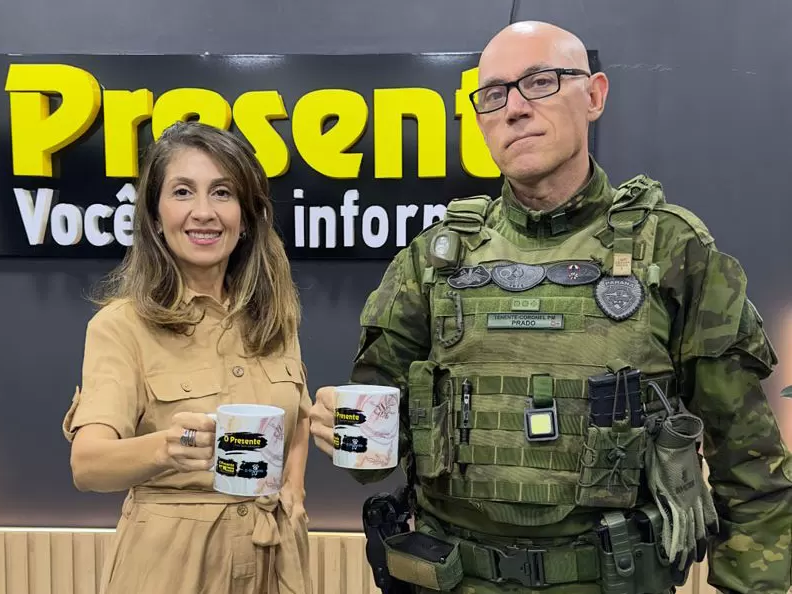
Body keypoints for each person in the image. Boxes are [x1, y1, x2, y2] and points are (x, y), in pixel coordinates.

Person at [309, 20, 792, 594]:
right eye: (493, 94)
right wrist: (346, 435)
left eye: (540, 82)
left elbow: (749, 462)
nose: (515, 109)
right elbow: (372, 456)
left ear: (594, 96)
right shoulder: (432, 259)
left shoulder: (671, 249)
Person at [62, 121, 312, 594]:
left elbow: (296, 416)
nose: (204, 212)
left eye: (222, 193)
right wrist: (166, 448)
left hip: (275, 561)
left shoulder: (275, 317)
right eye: (182, 192)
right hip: (171, 567)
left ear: (246, 217)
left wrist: (293, 487)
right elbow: (88, 465)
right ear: (155, 217)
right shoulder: (121, 326)